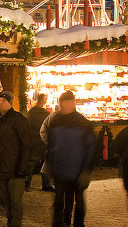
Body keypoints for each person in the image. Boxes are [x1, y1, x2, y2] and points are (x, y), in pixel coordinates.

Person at [40, 91, 96, 227]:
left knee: (78, 203)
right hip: (60, 169)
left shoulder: (83, 123)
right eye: (62, 104)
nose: (64, 107)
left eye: (66, 104)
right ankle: (60, 222)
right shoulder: (55, 121)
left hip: (78, 170)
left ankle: (76, 223)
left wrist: (87, 169)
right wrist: (50, 163)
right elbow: (52, 145)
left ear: (73, 103)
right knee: (59, 201)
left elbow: (91, 148)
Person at [0, 91, 31, 227]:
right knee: (5, 200)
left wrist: (22, 167)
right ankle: (10, 221)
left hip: (15, 168)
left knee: (16, 201)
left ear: (10, 103)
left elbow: (26, 145)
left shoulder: (18, 120)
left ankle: (15, 224)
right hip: (0, 168)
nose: (0, 103)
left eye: (4, 101)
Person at [25, 94, 52, 192]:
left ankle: (26, 184)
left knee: (31, 163)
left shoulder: (31, 112)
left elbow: (27, 126)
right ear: (43, 101)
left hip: (34, 141)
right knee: (45, 163)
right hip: (42, 141)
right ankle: (46, 185)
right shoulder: (46, 113)